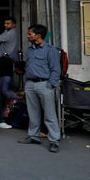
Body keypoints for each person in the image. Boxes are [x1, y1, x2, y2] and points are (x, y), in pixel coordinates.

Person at [19, 24, 61, 153]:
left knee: (49, 114)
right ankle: (33, 136)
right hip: (30, 84)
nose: (28, 36)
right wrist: (26, 85)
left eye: (30, 34)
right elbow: (28, 67)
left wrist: (50, 85)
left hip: (45, 84)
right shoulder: (30, 50)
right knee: (33, 112)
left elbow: (56, 70)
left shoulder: (50, 50)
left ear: (38, 35)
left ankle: (54, 140)